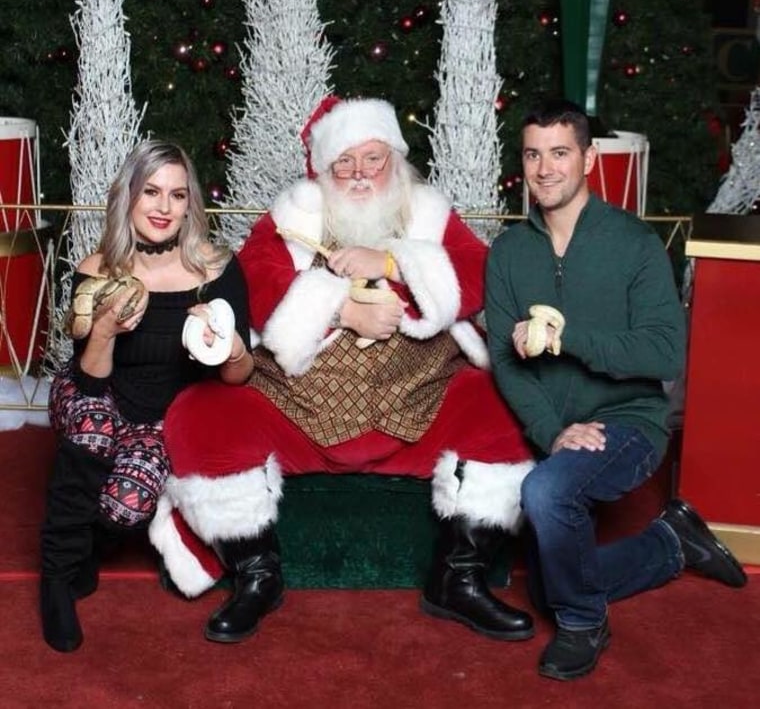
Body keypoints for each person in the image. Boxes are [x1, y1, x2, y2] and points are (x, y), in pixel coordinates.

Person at [149, 96, 537, 644]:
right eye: (344, 164)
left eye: (372, 160)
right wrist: (339, 307)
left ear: (394, 160)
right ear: (323, 169)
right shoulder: (292, 215)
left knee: (509, 404)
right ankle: (257, 577)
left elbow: (481, 272)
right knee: (199, 413)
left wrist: (394, 264)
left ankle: (458, 579)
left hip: (419, 407)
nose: (359, 175)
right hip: (300, 412)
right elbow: (254, 283)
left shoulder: (427, 211)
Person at [485, 99, 747, 682]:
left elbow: (664, 354)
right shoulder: (508, 253)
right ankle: (671, 543)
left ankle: (583, 623)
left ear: (587, 157)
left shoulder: (632, 243)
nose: (545, 168)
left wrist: (567, 337)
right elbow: (505, 359)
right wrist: (552, 432)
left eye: (560, 153)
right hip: (561, 424)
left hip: (629, 421)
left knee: (547, 499)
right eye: (533, 154)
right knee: (551, 575)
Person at [40, 140, 254, 653]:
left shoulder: (217, 271)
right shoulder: (98, 271)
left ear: (190, 203)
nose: (163, 208)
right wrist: (108, 329)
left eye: (177, 195)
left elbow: (238, 378)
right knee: (92, 426)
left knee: (127, 505)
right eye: (151, 192)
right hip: (94, 392)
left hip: (158, 418)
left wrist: (232, 346)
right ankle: (56, 576)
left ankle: (89, 549)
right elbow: (91, 378)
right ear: (129, 197)